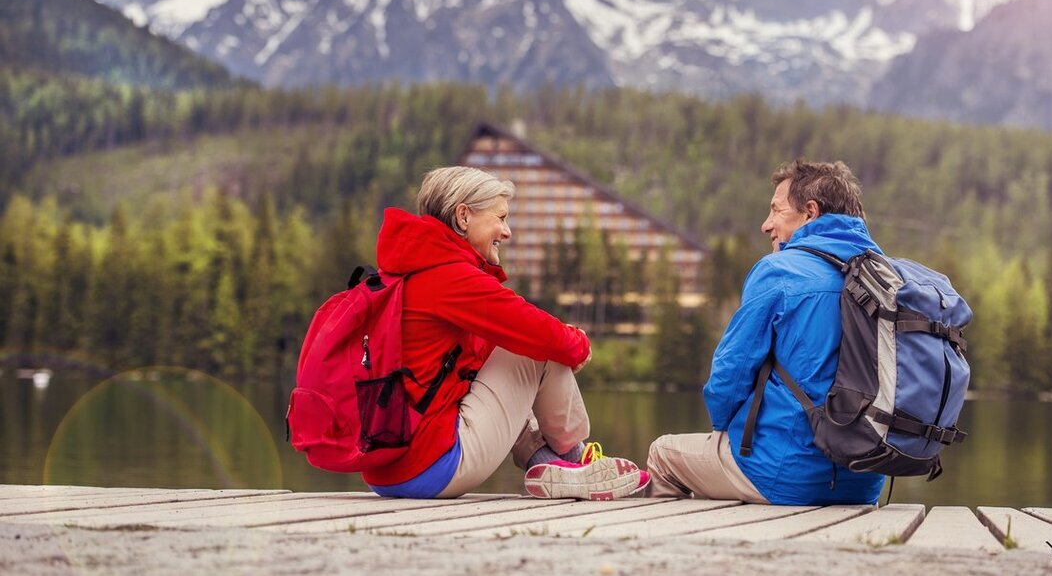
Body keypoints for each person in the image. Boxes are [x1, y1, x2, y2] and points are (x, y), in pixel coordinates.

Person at [364, 166, 648, 500]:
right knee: (538, 347)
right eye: (500, 217)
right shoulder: (451, 278)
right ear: (464, 215)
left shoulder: (408, 270)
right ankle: (576, 458)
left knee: (505, 349)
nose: (507, 231)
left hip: (385, 469)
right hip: (431, 468)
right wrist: (579, 344)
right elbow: (544, 336)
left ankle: (549, 464)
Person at [646, 159, 885, 505]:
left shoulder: (779, 271)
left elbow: (728, 377)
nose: (766, 225)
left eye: (776, 210)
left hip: (783, 474)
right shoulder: (883, 277)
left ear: (810, 213)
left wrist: (724, 429)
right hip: (865, 481)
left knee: (663, 453)